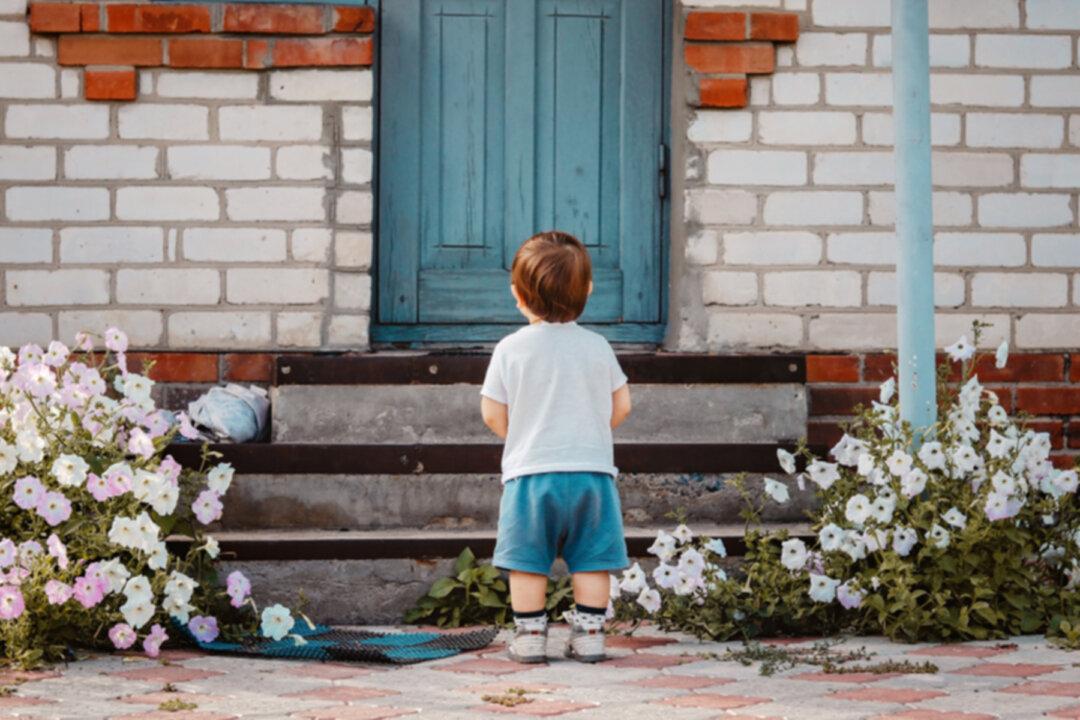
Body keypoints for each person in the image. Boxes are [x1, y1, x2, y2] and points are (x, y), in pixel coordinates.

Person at [480, 230, 632, 664]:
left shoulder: (510, 349)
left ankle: (529, 638)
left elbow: (493, 414)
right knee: (591, 561)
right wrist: (587, 428)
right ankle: (589, 636)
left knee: (527, 562)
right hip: (591, 475)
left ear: (517, 295)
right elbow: (621, 405)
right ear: (587, 290)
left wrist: (526, 433)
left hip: (531, 476)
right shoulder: (597, 346)